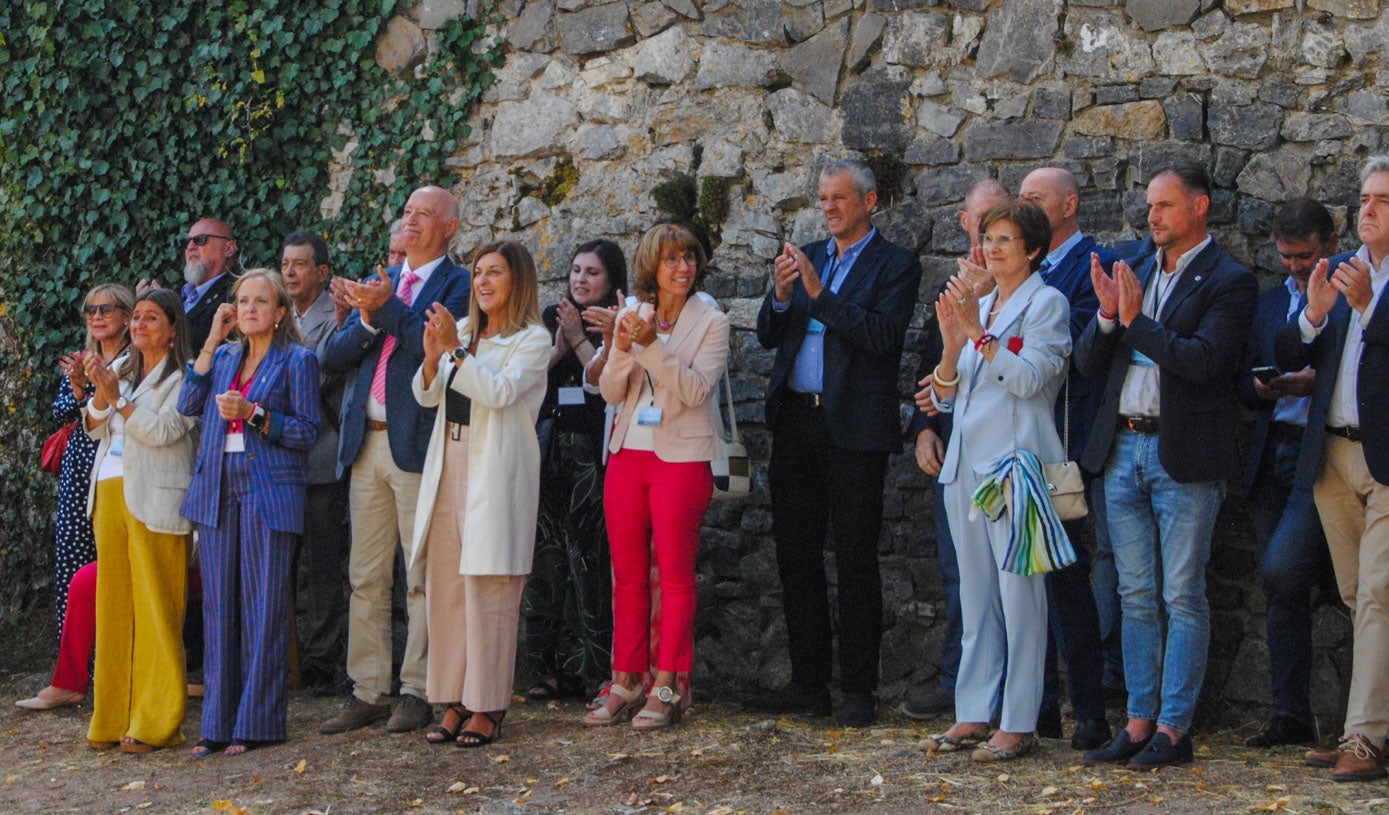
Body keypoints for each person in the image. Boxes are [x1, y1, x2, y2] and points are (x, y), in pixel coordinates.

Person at [1077, 162, 1257, 769]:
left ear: (1199, 207)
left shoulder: (1230, 280)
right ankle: (1137, 721)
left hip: (1185, 454)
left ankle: (1174, 729)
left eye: (1164, 205)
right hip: (1122, 446)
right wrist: (1108, 316)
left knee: (1182, 593)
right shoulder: (1134, 266)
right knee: (1134, 594)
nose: (1151, 216)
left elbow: (1204, 362)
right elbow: (1087, 363)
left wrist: (1136, 323)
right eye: (1149, 205)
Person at [747, 158, 923, 727]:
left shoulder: (897, 265)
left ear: (869, 202)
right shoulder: (808, 256)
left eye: (839, 198)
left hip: (854, 428)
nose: (828, 208)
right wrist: (780, 296)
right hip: (797, 422)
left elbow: (882, 337)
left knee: (855, 559)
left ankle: (858, 690)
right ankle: (809, 683)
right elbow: (770, 335)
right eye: (823, 198)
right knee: (796, 556)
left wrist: (819, 295)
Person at [915, 199, 1071, 762]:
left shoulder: (1047, 303)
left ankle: (1019, 720)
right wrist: (951, 348)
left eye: (1005, 239)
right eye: (988, 238)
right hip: (966, 466)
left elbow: (1030, 381)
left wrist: (979, 335)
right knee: (976, 594)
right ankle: (974, 711)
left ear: (1033, 249)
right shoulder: (978, 305)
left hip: (1013, 467)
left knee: (1020, 598)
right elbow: (944, 397)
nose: (993, 249)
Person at [318, 185, 471, 735]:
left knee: (420, 574)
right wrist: (364, 318)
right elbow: (331, 357)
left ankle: (418, 689)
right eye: (407, 211)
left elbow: (433, 345)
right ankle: (367, 690)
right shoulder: (380, 281)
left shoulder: (458, 284)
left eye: (424, 214)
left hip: (418, 443)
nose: (411, 220)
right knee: (365, 574)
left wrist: (383, 308)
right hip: (367, 442)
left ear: (449, 228)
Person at [582, 223, 729, 729]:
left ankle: (668, 685)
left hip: (682, 459)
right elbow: (610, 392)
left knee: (674, 576)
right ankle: (625, 679)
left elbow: (694, 391)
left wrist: (650, 347)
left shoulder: (711, 321)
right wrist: (620, 345)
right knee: (626, 577)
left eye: (689, 258)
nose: (683, 268)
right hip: (628, 453)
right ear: (652, 266)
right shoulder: (636, 312)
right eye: (672, 260)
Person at [408, 240, 550, 747]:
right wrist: (432, 359)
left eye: (495, 272)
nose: (482, 282)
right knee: (447, 584)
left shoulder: (533, 339)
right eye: (478, 273)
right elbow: (427, 394)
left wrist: (453, 350)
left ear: (518, 281)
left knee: (489, 587)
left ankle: (487, 704)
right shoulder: (463, 330)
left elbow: (499, 393)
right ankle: (453, 698)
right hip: (450, 457)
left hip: (496, 466)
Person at [1277, 155, 1389, 781]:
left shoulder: (1367, 287)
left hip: (1386, 458)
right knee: (1355, 595)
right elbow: (1286, 350)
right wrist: (1313, 315)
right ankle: (1373, 728)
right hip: (1333, 455)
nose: (1368, 209)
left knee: (1377, 595)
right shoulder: (1343, 271)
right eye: (1365, 198)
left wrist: (1370, 308)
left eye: (1383, 201)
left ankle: (1363, 739)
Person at [179, 269, 321, 757]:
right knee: (218, 607)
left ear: (280, 312)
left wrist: (255, 414)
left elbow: (307, 431)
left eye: (261, 301)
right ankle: (216, 724)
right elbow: (187, 402)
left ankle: (257, 723)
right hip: (217, 488)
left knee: (263, 607)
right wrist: (210, 340)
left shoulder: (298, 360)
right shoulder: (222, 357)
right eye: (242, 301)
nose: (250, 308)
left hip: (268, 491)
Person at [902, 179, 1007, 722]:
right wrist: (925, 429)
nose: (986, 234)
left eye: (998, 222)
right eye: (979, 222)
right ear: (964, 223)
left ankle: (1012, 695)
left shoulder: (1025, 290)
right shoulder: (953, 285)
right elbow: (930, 366)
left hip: (1008, 452)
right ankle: (959, 681)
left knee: (1012, 578)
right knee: (959, 572)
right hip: (956, 451)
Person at [1018, 166, 1115, 750]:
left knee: (1068, 579)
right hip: (1013, 448)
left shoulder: (1092, 266)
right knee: (1025, 584)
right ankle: (1038, 710)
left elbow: (1072, 351)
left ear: (1070, 205)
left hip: (1065, 448)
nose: (1024, 206)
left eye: (1035, 198)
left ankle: (1090, 713)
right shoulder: (1018, 272)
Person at [1238, 199, 1340, 748]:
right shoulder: (1269, 303)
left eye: (1304, 256)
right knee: (1280, 589)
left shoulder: (1349, 295)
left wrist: (1315, 382)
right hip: (1271, 447)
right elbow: (1239, 380)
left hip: (1322, 453)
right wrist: (1261, 388)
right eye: (1286, 257)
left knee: (1290, 571)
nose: (1296, 267)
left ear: (1331, 243)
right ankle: (1290, 715)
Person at [84, 288, 197, 753]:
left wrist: (118, 400)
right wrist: (101, 390)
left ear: (172, 331)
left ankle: (156, 722)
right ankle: (111, 717)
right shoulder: (123, 370)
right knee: (113, 610)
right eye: (137, 318)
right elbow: (94, 425)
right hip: (110, 493)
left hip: (155, 498)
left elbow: (165, 430)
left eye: (151, 318)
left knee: (157, 610)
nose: (139, 325)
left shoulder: (186, 377)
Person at [18, 285, 133, 711]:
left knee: (107, 564)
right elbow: (60, 412)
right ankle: (73, 673)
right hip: (78, 469)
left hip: (116, 468)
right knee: (72, 564)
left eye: (106, 309)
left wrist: (88, 390)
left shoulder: (135, 360)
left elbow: (114, 412)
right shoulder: (80, 359)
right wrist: (78, 385)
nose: (97, 316)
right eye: (90, 310)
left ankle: (112, 667)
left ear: (126, 316)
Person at [521, 239, 627, 700]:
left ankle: (592, 669)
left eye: (592, 273)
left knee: (589, 560)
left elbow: (610, 389)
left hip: (591, 457)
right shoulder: (551, 317)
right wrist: (558, 346)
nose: (581, 280)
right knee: (546, 559)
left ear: (611, 280)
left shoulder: (616, 323)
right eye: (576, 270)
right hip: (548, 451)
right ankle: (546, 669)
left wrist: (582, 341)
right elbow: (527, 382)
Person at [281, 230, 352, 693]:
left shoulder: (339, 314)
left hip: (322, 457)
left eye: (300, 264)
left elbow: (322, 375)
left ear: (322, 272)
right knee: (279, 566)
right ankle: (283, 657)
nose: (290, 272)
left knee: (325, 567)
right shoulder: (274, 313)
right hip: (278, 461)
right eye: (285, 264)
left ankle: (323, 661)